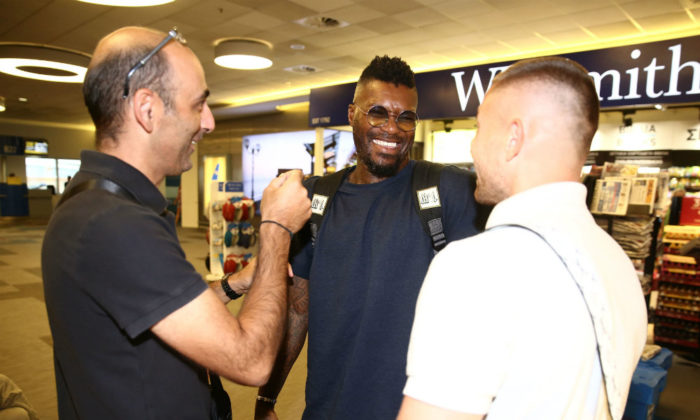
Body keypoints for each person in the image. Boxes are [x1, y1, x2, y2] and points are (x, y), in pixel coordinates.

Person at [41, 26, 311, 419]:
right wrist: (276, 228)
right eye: (198, 105)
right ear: (147, 109)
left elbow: (160, 310)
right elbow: (251, 361)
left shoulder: (97, 202)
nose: (209, 122)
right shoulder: (115, 224)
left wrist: (234, 284)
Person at [397, 57, 648, 420]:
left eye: (480, 128)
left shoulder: (477, 266)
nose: (473, 147)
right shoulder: (618, 264)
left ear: (513, 138)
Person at [255, 56, 487, 420]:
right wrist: (267, 398)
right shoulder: (315, 200)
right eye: (377, 113)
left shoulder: (450, 191)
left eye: (405, 117)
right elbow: (298, 309)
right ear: (352, 114)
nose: (392, 129)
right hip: (327, 410)